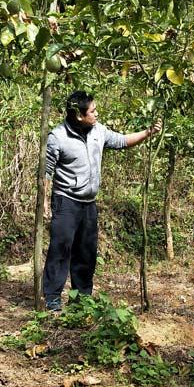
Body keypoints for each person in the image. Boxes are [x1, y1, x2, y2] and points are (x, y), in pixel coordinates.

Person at [42, 90, 162, 312]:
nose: (97, 114)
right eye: (93, 111)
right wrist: (45, 203)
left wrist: (148, 132)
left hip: (89, 204)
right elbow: (46, 173)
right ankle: (52, 299)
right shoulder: (57, 137)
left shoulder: (98, 131)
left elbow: (122, 141)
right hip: (65, 201)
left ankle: (81, 299)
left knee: (86, 252)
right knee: (61, 249)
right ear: (79, 115)